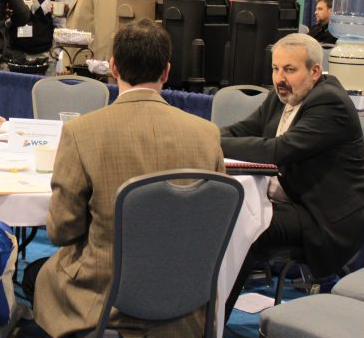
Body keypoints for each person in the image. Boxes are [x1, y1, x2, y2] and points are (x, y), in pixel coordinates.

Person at [32, 19, 225, 337]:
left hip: (103, 296)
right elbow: (211, 225)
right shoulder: (206, 134)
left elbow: (62, 230)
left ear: (113, 68)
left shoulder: (81, 132)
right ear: (166, 71)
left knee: (41, 276)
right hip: (184, 298)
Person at [221, 33, 364, 317]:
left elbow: (278, 150)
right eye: (276, 68)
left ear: (315, 71)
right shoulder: (283, 94)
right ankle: (205, 313)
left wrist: (209, 141)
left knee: (247, 227)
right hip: (291, 200)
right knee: (226, 213)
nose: (280, 78)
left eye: (289, 69)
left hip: (323, 216)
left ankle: (214, 321)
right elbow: (244, 130)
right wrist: (207, 135)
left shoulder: (329, 102)